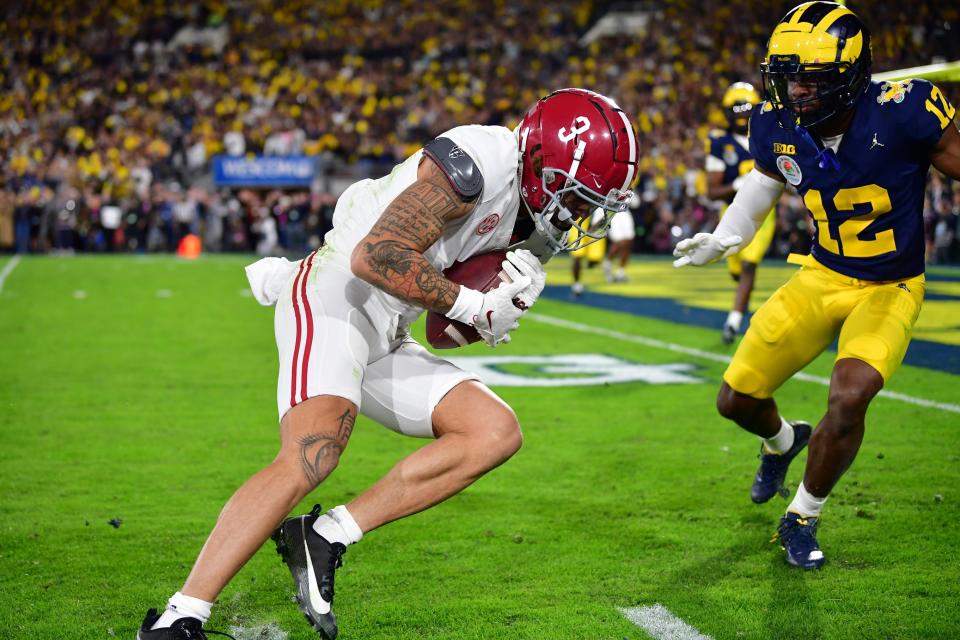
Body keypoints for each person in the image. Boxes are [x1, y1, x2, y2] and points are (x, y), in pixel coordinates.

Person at [137, 88, 639, 639]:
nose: (584, 214)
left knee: (493, 432)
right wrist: (473, 302)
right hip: (337, 293)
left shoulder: (536, 225)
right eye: (580, 196)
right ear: (544, 161)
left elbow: (439, 332)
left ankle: (326, 535)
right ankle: (177, 618)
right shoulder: (480, 160)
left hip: (391, 323)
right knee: (313, 452)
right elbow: (375, 255)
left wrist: (496, 313)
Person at [673, 1, 960, 569]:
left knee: (850, 394)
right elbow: (762, 183)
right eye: (788, 77)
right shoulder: (775, 122)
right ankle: (783, 440)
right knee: (735, 400)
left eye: (811, 78)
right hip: (821, 272)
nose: (796, 91)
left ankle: (802, 515)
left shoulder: (905, 112)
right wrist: (725, 237)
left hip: (890, 284)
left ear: (851, 76)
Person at [704, 82, 778, 344]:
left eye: (746, 109)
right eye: (737, 110)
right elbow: (711, 192)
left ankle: (733, 321)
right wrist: (737, 184)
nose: (742, 115)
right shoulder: (719, 143)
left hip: (765, 210)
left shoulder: (768, 134)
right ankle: (741, 302)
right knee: (738, 270)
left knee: (749, 264)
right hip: (733, 210)